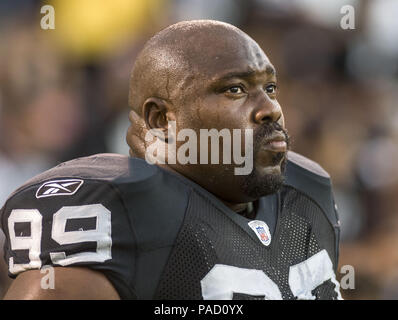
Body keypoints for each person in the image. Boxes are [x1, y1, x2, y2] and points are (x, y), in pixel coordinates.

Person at [0, 20, 341, 300]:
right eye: (235, 89)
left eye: (270, 88)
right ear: (162, 121)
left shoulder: (305, 194)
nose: (271, 109)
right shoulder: (125, 215)